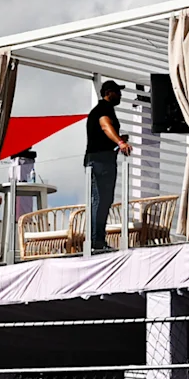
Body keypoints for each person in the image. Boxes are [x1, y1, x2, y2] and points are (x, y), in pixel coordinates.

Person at [82, 80, 126, 254]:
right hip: (100, 161)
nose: (120, 95)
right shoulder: (103, 109)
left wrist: (118, 140)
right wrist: (120, 141)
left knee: (104, 201)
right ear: (109, 93)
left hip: (102, 159)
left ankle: (98, 238)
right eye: (117, 92)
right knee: (100, 200)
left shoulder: (103, 109)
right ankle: (95, 240)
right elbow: (105, 125)